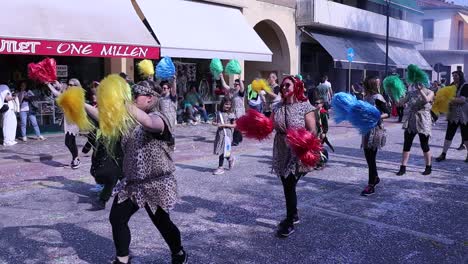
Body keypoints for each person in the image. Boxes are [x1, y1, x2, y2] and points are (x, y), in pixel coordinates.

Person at [84, 80, 188, 264]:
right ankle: (122, 258)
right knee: (117, 218)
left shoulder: (160, 118)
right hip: (132, 183)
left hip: (156, 183)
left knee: (162, 222)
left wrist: (119, 99)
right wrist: (77, 102)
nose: (130, 100)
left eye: (134, 97)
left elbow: (148, 123)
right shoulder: (129, 121)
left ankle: (178, 253)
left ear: (149, 99)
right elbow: (103, 118)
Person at [271, 76, 317, 237]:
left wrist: (302, 143)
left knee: (289, 184)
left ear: (296, 86)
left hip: (298, 150)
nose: (284, 87)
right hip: (281, 148)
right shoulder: (277, 106)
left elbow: (312, 130)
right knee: (286, 183)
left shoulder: (305, 106)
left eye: (287, 85)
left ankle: (289, 221)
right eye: (282, 85)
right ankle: (294, 214)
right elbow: (271, 125)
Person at [396, 82, 434, 176]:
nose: (418, 83)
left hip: (424, 120)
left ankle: (428, 167)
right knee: (407, 144)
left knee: (424, 144)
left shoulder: (430, 92)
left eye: (420, 81)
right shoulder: (411, 93)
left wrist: (420, 90)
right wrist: (395, 93)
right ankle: (403, 167)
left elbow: (426, 100)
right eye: (416, 81)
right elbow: (400, 103)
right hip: (411, 120)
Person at [360, 76, 389, 196]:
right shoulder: (366, 97)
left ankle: (371, 184)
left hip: (375, 131)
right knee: (369, 158)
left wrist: (375, 117)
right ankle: (375, 178)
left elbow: (387, 113)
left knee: (371, 158)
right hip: (366, 130)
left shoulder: (377, 97)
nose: (363, 87)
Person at [47, 79, 81, 169]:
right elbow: (62, 89)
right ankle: (75, 159)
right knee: (71, 141)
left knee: (69, 141)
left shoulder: (75, 95)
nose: (69, 86)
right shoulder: (70, 93)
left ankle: (76, 159)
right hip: (69, 120)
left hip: (74, 121)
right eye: (68, 84)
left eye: (71, 85)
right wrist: (56, 84)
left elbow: (58, 94)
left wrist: (49, 85)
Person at [435, 71, 468, 162]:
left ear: (460, 76)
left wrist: (448, 98)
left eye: (456, 76)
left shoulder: (465, 86)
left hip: (463, 114)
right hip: (453, 114)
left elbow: (462, 100)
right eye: (453, 76)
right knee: (449, 134)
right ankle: (443, 154)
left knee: (466, 136)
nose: (454, 77)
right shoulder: (452, 85)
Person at [212, 96, 236, 175]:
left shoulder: (231, 114)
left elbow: (234, 125)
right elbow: (213, 122)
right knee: (222, 150)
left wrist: (224, 125)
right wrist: (217, 124)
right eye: (226, 104)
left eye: (229, 105)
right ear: (222, 104)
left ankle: (220, 167)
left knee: (223, 150)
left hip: (227, 134)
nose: (227, 106)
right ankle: (230, 159)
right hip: (220, 134)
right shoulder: (218, 113)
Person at [220, 74, 245, 146]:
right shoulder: (232, 91)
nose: (235, 86)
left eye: (236, 84)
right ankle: (239, 138)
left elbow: (242, 87)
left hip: (239, 112)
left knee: (236, 125)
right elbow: (225, 85)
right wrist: (221, 76)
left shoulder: (241, 93)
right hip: (232, 111)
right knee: (235, 125)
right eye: (234, 84)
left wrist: (240, 79)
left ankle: (235, 140)